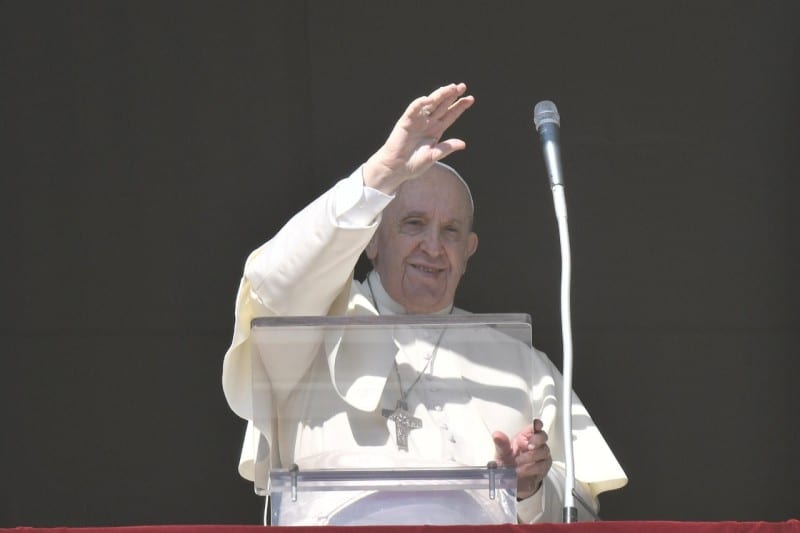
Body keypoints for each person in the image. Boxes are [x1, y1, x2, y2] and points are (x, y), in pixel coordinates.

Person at [222, 82, 627, 524]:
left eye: (450, 231)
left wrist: (529, 490)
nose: (433, 247)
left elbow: (582, 509)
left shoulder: (522, 365)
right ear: (373, 240)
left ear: (469, 250)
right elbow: (270, 285)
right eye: (413, 224)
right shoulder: (313, 332)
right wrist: (380, 174)